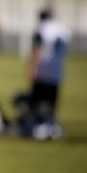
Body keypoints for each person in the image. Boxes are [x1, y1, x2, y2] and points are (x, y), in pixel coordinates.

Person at [27, 8, 70, 138]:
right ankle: (51, 125)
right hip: (57, 71)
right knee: (52, 101)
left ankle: (39, 126)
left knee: (38, 101)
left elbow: (37, 48)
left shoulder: (42, 29)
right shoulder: (63, 29)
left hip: (43, 70)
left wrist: (32, 66)